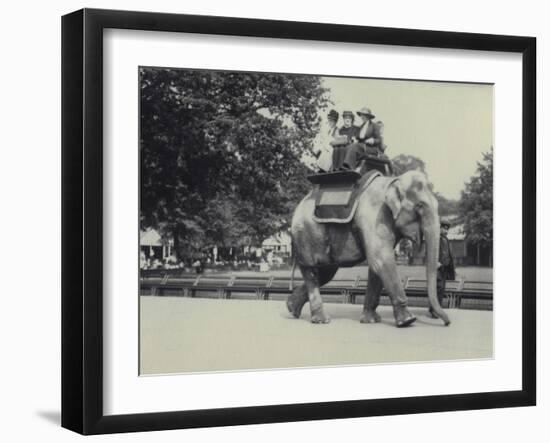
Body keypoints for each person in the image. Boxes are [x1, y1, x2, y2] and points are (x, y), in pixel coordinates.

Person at [429, 221, 456, 318]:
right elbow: (435, 253)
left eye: (447, 229)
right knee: (438, 288)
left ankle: (434, 309)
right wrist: (437, 262)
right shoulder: (437, 239)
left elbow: (447, 254)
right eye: (444, 228)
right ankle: (435, 310)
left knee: (440, 289)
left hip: (444, 268)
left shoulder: (445, 239)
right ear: (439, 228)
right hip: (438, 268)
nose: (446, 230)